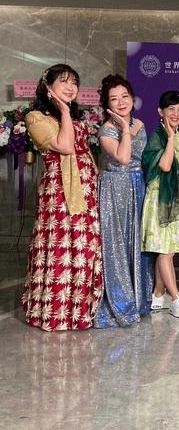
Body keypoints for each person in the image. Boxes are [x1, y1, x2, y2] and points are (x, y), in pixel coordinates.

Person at [22, 64, 102, 331]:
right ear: (48, 87)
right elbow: (66, 147)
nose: (71, 87)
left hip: (86, 187)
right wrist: (65, 111)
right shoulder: (36, 117)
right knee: (60, 248)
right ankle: (55, 313)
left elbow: (84, 151)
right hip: (59, 191)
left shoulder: (77, 115)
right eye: (64, 81)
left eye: (74, 82)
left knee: (85, 247)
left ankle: (81, 312)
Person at [94, 74, 154, 328]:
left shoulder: (140, 123)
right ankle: (121, 301)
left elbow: (143, 158)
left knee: (138, 242)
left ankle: (139, 298)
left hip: (138, 185)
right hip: (115, 187)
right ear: (107, 104)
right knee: (117, 244)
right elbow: (123, 157)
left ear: (132, 98)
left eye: (125, 96)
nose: (121, 102)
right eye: (114, 99)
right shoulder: (106, 129)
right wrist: (124, 129)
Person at [141, 90, 179, 318]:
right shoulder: (158, 136)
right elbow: (164, 166)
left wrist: (175, 135)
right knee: (164, 249)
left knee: (169, 250)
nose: (175, 113)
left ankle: (158, 295)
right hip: (162, 199)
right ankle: (176, 298)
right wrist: (170, 138)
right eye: (171, 109)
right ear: (160, 111)